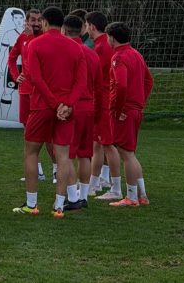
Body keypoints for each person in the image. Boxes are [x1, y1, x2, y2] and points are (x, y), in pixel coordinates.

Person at [13, 6, 85, 218]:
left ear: (44, 22)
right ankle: (59, 206)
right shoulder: (76, 48)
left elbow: (35, 77)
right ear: (62, 25)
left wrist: (54, 104)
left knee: (31, 152)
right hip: (66, 109)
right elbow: (81, 82)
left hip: (42, 106)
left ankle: (31, 204)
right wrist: (67, 104)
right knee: (63, 156)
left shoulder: (35, 44)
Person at [106, 22, 154, 207]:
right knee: (130, 153)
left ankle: (132, 197)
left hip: (125, 111)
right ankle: (142, 195)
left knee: (126, 154)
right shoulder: (136, 54)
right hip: (134, 109)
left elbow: (121, 85)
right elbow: (149, 81)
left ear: (112, 38)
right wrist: (140, 102)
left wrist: (118, 110)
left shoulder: (119, 57)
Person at [8, 8, 57, 183]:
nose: (36, 23)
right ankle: (38, 171)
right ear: (27, 22)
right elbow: (11, 58)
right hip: (26, 91)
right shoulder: (22, 38)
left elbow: (34, 53)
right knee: (28, 132)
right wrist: (16, 76)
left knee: (49, 134)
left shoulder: (44, 38)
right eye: (32, 20)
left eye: (38, 20)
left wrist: (29, 38)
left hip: (43, 93)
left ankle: (56, 171)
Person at [62, 15, 102, 210]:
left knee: (67, 154)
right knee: (85, 154)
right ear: (82, 30)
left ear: (64, 30)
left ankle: (72, 197)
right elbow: (99, 86)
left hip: (72, 107)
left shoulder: (66, 52)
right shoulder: (92, 54)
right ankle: (84, 195)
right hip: (89, 107)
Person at [86, 11, 124, 200]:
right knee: (99, 144)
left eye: (87, 25)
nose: (86, 29)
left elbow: (94, 77)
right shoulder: (105, 46)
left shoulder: (101, 48)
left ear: (92, 26)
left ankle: (114, 188)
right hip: (105, 100)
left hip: (103, 101)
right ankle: (95, 183)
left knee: (106, 145)